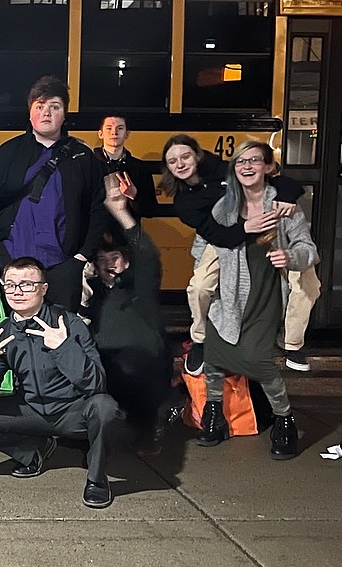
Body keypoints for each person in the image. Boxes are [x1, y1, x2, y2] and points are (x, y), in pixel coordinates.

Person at [0, 257, 124, 509]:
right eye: (11, 285)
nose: (17, 291)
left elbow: (96, 384)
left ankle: (97, 479)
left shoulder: (70, 324)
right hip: (32, 411)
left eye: (26, 284)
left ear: (43, 289)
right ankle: (32, 451)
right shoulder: (1, 332)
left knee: (105, 407)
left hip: (72, 412)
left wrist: (64, 348)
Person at [197, 142, 319, 460]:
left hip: (266, 294)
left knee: (259, 361)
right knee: (213, 355)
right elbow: (202, 244)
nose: (247, 166)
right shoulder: (224, 207)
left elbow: (309, 248)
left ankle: (284, 419)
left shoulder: (284, 207)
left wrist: (290, 255)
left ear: (267, 167)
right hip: (230, 293)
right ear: (234, 169)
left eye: (255, 160)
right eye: (241, 161)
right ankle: (213, 414)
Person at [159, 134, 312, 374]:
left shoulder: (223, 171)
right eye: (172, 161)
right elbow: (217, 235)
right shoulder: (185, 203)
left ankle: (291, 344)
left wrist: (286, 195)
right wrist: (246, 228)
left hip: (263, 230)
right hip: (221, 237)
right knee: (200, 286)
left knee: (307, 282)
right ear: (167, 167)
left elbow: (277, 181)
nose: (180, 164)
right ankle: (199, 339)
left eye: (185, 156)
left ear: (197, 156)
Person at [0, 76, 108, 313]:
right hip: (14, 262)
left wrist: (82, 255)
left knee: (60, 332)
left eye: (54, 107)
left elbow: (96, 208)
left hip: (63, 263)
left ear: (64, 114)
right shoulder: (9, 152)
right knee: (16, 335)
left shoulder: (82, 156)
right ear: (30, 113)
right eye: (40, 106)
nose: (46, 113)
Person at [87, 174, 171, 454]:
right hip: (105, 363)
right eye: (102, 261)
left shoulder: (141, 284)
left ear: (126, 260)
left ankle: (148, 428)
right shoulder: (93, 291)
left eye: (115, 259)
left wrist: (122, 213)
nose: (110, 265)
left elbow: (147, 253)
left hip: (141, 365)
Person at [94, 115, 158, 221]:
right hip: (95, 234)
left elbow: (151, 211)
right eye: (109, 128)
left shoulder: (140, 168)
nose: (114, 133)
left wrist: (135, 196)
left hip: (128, 235)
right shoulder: (87, 166)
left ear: (127, 134)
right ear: (100, 134)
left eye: (120, 128)